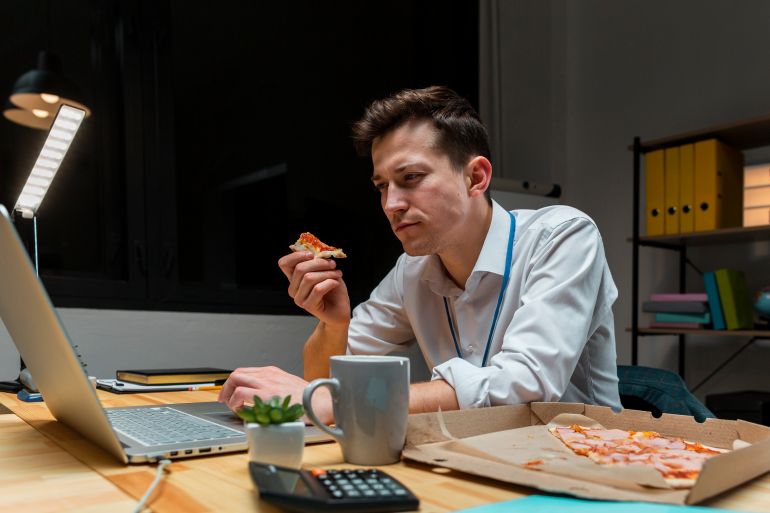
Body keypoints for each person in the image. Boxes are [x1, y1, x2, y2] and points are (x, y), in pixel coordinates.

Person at [219, 86, 621, 422]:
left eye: (411, 178)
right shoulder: (412, 269)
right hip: (471, 455)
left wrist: (334, 402)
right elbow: (324, 386)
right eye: (381, 186)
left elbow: (526, 383)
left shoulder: (563, 236)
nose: (391, 204)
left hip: (581, 455)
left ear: (475, 177)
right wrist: (334, 324)